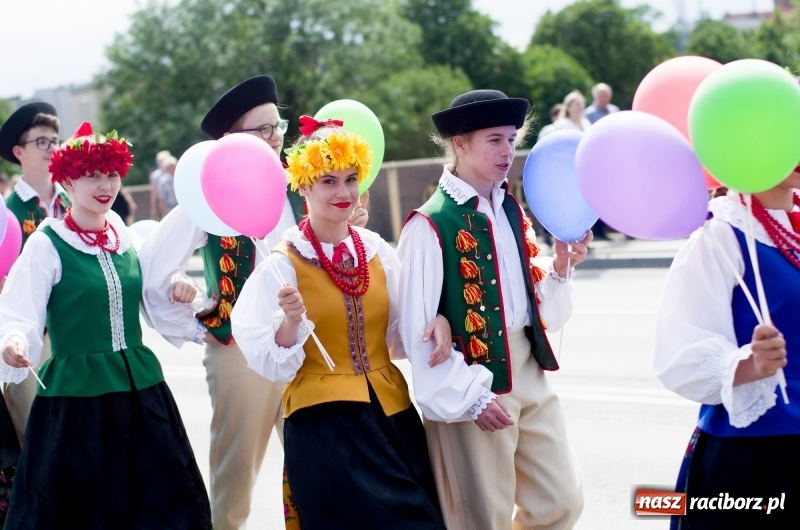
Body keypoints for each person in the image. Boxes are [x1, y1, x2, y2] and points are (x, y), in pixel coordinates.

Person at [138, 74, 369, 530]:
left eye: (277, 127)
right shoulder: (211, 194)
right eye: (262, 130)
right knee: (236, 475)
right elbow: (152, 270)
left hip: (306, 344)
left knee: (317, 466)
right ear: (231, 139)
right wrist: (200, 322)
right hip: (239, 353)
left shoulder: (300, 186)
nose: (275, 137)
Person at [231, 121, 447, 529]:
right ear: (303, 187)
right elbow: (267, 358)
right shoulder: (283, 263)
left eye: (350, 179)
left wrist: (436, 319)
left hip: (392, 415)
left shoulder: (377, 250)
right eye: (328, 181)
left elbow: (405, 330)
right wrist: (290, 322)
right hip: (324, 426)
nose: (343, 192)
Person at [397, 89, 592, 530]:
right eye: (494, 140)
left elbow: (536, 306)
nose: (507, 151)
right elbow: (417, 333)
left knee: (561, 500)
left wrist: (561, 268)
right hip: (470, 374)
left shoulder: (510, 210)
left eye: (511, 139)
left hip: (528, 366)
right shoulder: (430, 224)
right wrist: (472, 397)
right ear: (460, 144)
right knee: (480, 518)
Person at [0, 125, 212, 529]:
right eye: (92, 175)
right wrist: (13, 342)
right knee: (83, 510)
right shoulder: (48, 242)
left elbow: (154, 284)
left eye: (112, 174)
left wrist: (179, 284)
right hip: (76, 399)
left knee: (161, 503)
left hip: (140, 389)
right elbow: (19, 309)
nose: (105, 185)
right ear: (66, 181)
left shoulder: (124, 237)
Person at [653, 168, 800, 528]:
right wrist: (753, 363)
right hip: (759, 455)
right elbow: (680, 351)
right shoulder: (719, 235)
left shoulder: (793, 224)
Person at [0, 102, 71, 447]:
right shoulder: (7, 212)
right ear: (19, 152)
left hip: (76, 336)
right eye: (41, 141)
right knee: (35, 437)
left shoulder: (76, 203)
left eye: (55, 140)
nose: (52, 148)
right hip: (27, 340)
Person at [149, 149, 171, 220]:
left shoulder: (172, 172)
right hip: (162, 202)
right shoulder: (156, 175)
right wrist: (153, 208)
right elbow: (154, 192)